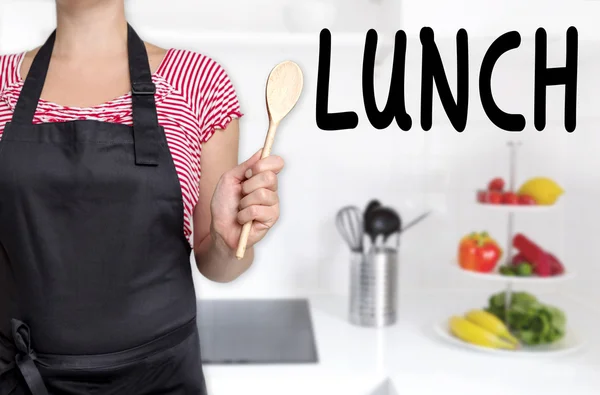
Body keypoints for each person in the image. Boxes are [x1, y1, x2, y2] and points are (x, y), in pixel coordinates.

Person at [0, 0, 284, 393]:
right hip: (23, 380)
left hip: (160, 381)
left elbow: (219, 265)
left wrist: (228, 239)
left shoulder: (198, 82)